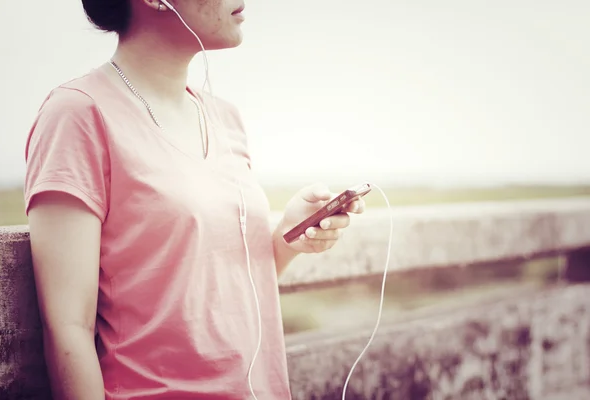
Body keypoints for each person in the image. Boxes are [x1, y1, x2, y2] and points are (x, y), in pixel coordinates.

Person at [24, 0, 366, 399]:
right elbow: (68, 328)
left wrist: (288, 240)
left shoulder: (225, 117)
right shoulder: (78, 114)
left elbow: (221, 293)